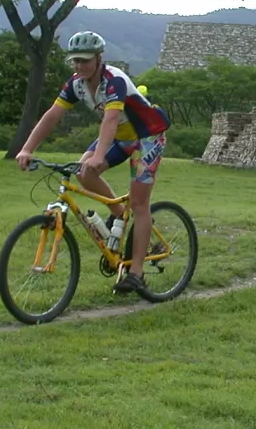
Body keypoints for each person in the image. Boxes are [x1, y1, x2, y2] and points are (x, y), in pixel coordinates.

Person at [15, 31, 170, 294]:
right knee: (83, 172)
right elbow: (52, 115)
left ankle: (136, 273)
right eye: (74, 60)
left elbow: (110, 120)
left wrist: (99, 157)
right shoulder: (75, 84)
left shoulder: (114, 81)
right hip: (120, 137)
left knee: (140, 203)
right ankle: (120, 216)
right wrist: (27, 148)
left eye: (84, 60)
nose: (78, 65)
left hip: (147, 136)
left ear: (99, 58)